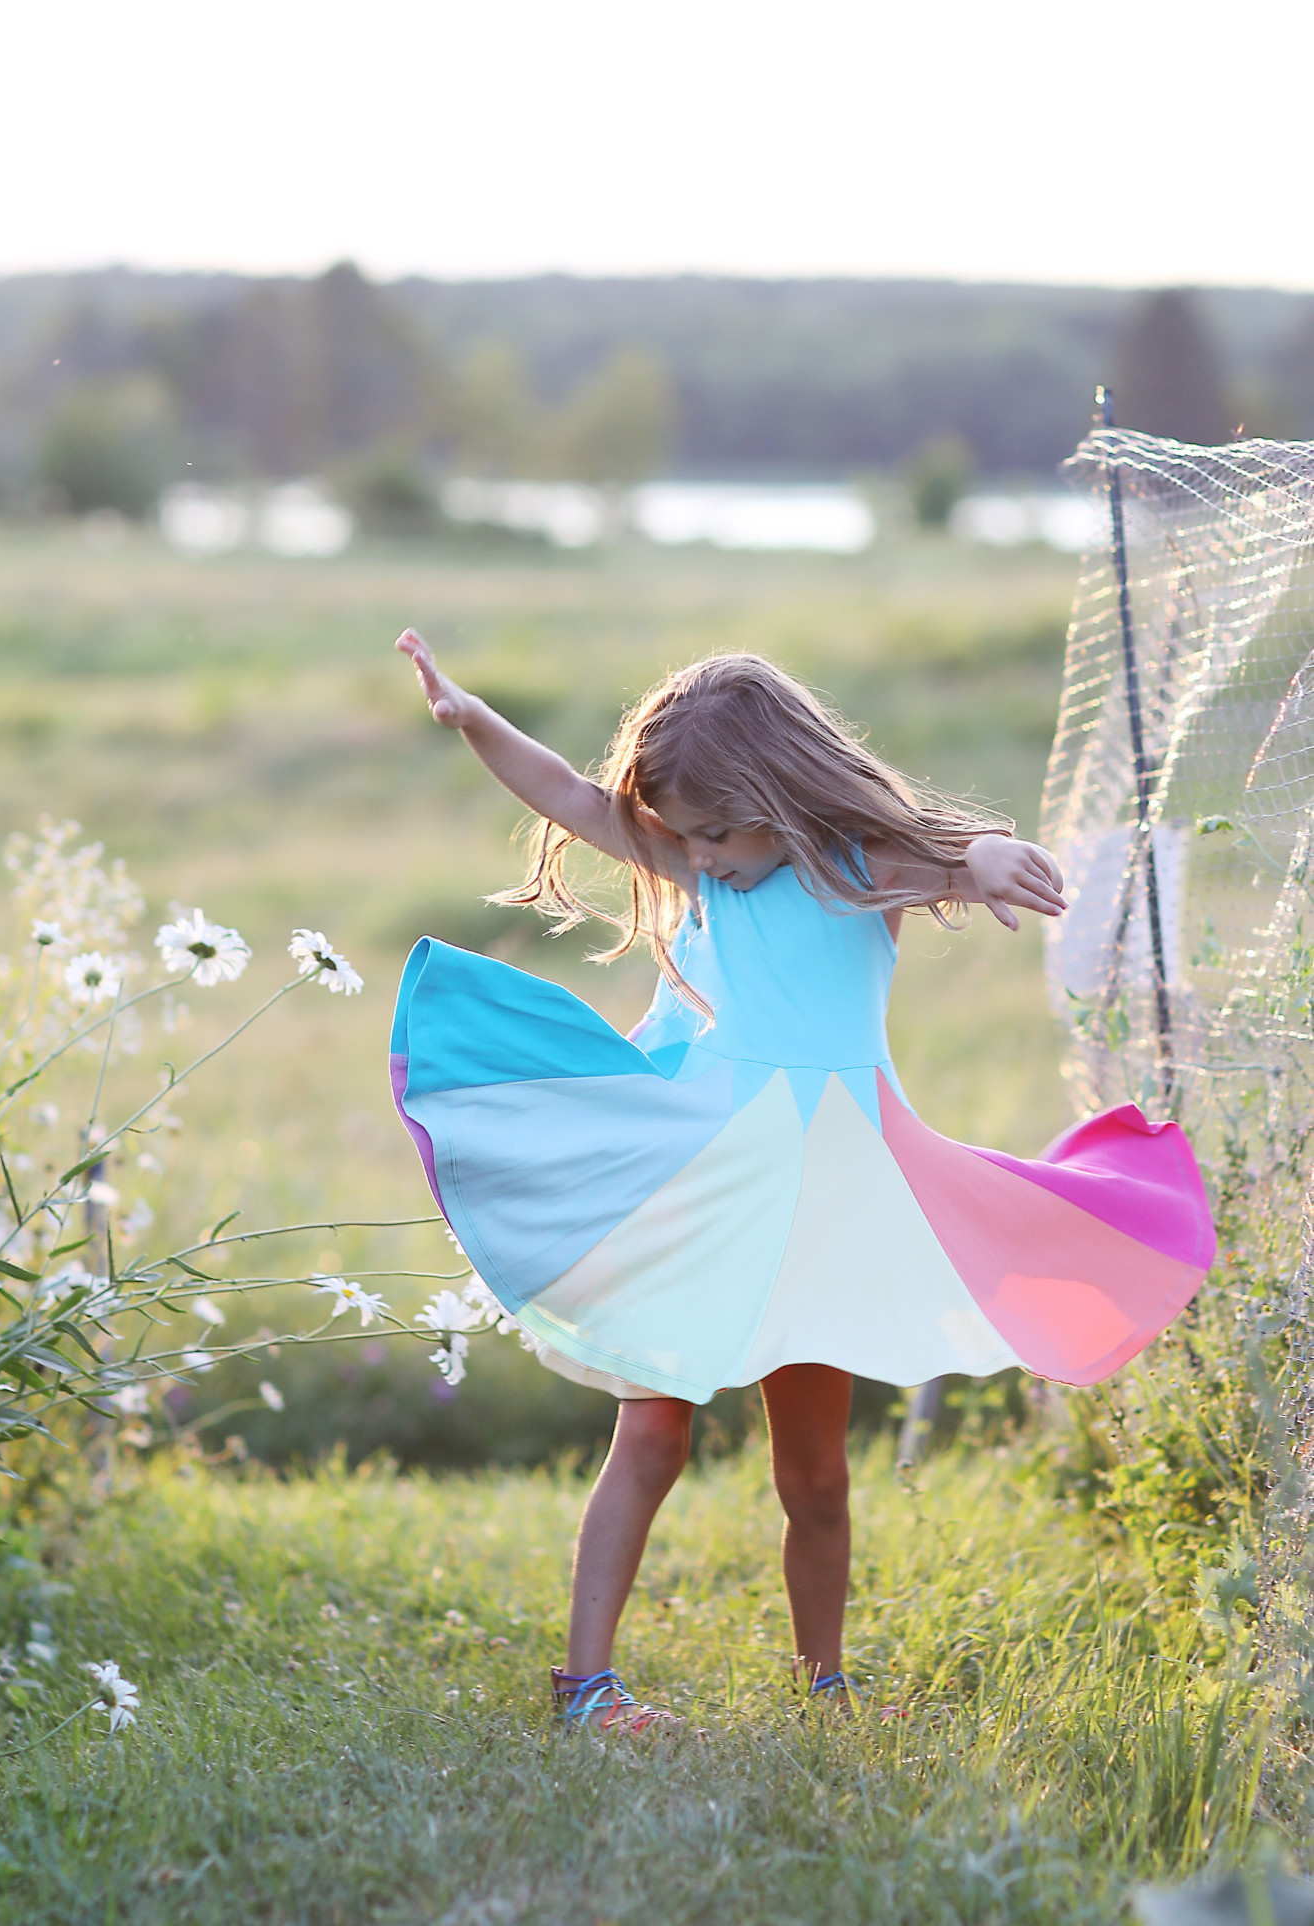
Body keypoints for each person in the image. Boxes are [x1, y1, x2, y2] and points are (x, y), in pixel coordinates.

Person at [390, 635, 1214, 1733]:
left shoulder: (857, 867)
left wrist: (997, 859)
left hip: (834, 1195)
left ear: (780, 795)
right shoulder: (704, 863)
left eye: (719, 832)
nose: (705, 856)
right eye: (687, 836)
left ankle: (822, 1683)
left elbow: (962, 859)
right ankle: (588, 1685)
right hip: (704, 1183)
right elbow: (573, 797)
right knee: (653, 1436)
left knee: (817, 1472)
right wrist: (474, 716)